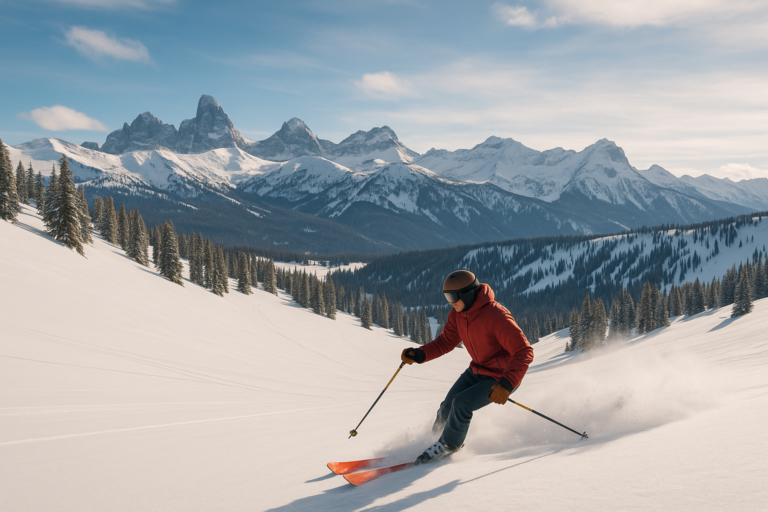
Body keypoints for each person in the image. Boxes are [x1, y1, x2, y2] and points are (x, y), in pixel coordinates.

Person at [401, 270, 534, 464]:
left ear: (467, 294)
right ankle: (435, 440)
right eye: (447, 296)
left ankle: (449, 445)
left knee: (462, 403)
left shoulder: (496, 315)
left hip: (502, 376)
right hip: (477, 369)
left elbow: (524, 351)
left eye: (453, 297)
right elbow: (446, 341)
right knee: (447, 405)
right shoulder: (458, 315)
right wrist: (421, 354)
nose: (450, 302)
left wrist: (506, 384)